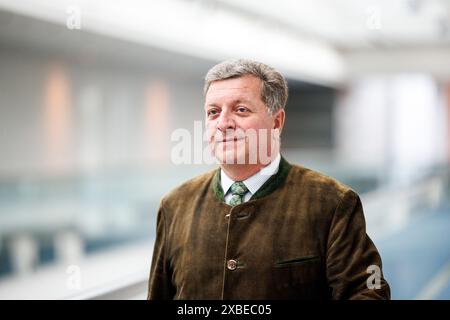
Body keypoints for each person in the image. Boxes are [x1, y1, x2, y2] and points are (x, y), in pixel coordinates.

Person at [147, 59, 390, 299]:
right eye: (213, 112)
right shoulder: (175, 205)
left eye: (241, 110)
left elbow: (369, 293)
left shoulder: (332, 203)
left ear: (276, 122)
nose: (223, 124)